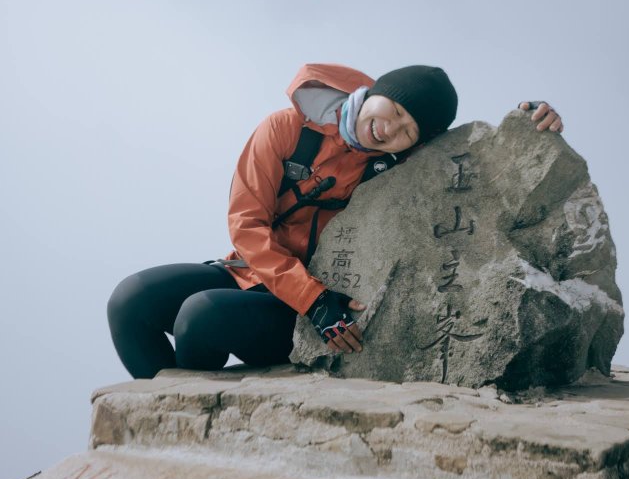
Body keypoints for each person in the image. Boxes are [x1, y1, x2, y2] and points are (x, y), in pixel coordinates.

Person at [107, 63, 563, 379]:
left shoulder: (393, 166)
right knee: (131, 301)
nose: (392, 130)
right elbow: (247, 223)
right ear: (377, 92)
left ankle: (186, 416)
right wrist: (313, 298)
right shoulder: (286, 129)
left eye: (409, 132)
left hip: (314, 307)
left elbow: (471, 165)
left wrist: (528, 120)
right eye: (397, 111)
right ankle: (168, 417)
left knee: (200, 317)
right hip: (257, 275)